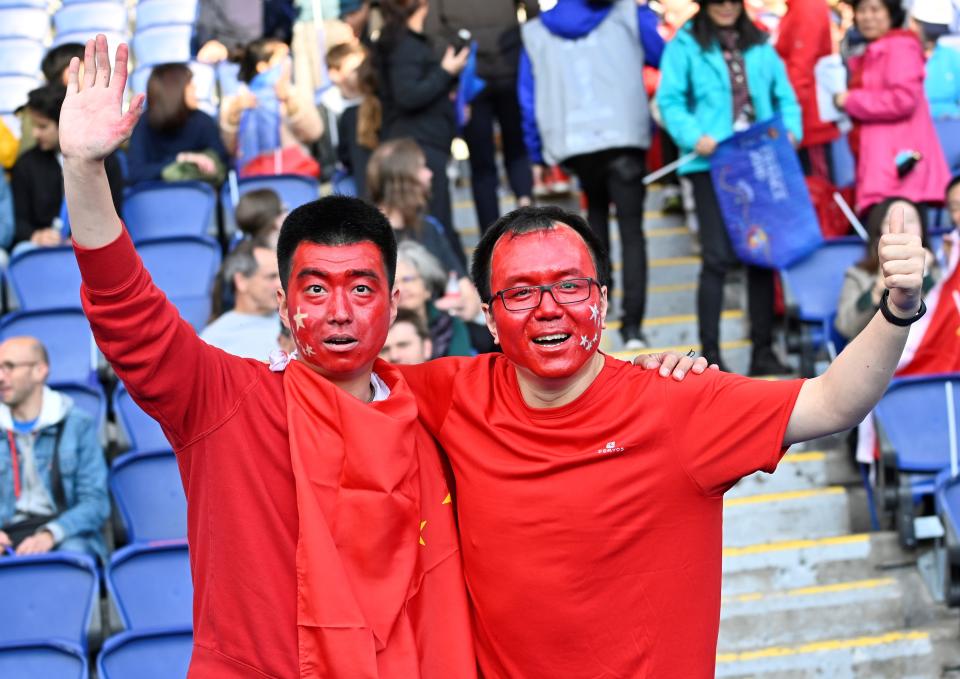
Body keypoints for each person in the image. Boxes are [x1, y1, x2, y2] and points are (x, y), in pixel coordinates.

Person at [62, 36, 475, 676]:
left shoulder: (442, 409)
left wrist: (668, 370)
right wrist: (84, 170)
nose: (339, 311)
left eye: (361, 289)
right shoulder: (228, 401)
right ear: (283, 306)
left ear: (394, 304)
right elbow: (127, 312)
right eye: (316, 289)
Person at [396, 199, 925, 678]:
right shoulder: (452, 394)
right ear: (488, 317)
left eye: (570, 285)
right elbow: (335, 384)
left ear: (602, 300)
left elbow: (834, 401)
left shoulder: (676, 399)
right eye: (520, 292)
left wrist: (898, 306)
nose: (549, 307)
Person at [657, 0, 802, 374]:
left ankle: (763, 352)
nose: (725, 7)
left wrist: (790, 132)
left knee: (761, 257)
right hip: (712, 163)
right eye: (717, 0)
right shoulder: (686, 42)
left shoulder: (758, 40)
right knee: (717, 257)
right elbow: (669, 100)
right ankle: (710, 356)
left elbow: (785, 95)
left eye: (731, 0)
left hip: (758, 159)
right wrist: (693, 136)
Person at [519, 0, 664, 350]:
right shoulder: (629, 13)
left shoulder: (536, 30)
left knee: (593, 230)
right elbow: (664, 57)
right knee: (632, 231)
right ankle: (633, 327)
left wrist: (536, 150)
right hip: (625, 135)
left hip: (575, 143)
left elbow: (527, 95)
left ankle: (597, 317)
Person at [425, 0, 535, 231]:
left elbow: (433, 29)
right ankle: (527, 213)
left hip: (470, 76)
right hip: (510, 66)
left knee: (481, 164)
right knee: (517, 150)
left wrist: (456, 53)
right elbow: (533, 8)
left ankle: (491, 235)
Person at [834, 0, 951, 214]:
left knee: (900, 235)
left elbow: (903, 99)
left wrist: (851, 100)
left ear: (891, 14)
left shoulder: (900, 47)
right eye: (862, 10)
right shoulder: (874, 49)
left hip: (899, 167)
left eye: (875, 9)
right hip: (885, 164)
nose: (868, 17)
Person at [375, 0, 469, 261]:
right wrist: (444, 72)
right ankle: (452, 283)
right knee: (432, 224)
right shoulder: (404, 44)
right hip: (418, 145)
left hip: (425, 142)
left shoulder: (407, 41)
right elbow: (407, 95)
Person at [0, 337, 108, 562]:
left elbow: (96, 503)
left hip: (62, 531)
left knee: (72, 554)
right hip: (8, 534)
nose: (1, 377)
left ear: (40, 371)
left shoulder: (77, 425)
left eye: (9, 367)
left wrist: (51, 533)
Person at [366, 137, 481, 321]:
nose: (429, 174)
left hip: (438, 330)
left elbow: (468, 295)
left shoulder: (430, 228)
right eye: (421, 168)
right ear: (403, 180)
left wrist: (446, 307)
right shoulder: (365, 236)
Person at [11, 84, 123, 253]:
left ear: (63, 123)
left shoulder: (103, 160)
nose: (35, 134)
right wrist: (36, 235)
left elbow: (115, 214)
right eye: (34, 126)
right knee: (23, 250)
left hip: (92, 245)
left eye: (42, 127)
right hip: (43, 247)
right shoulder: (26, 164)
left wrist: (84, 238)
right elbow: (19, 221)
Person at [836, 196, 938, 339]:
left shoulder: (940, 269)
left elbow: (948, 319)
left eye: (911, 220)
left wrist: (925, 274)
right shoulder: (858, 275)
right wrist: (877, 291)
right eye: (890, 221)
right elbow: (846, 327)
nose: (904, 227)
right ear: (879, 233)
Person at [220, 38, 324, 175]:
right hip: (251, 176)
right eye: (282, 59)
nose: (287, 63)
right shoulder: (236, 99)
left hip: (292, 173)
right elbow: (230, 148)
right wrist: (235, 112)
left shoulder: (291, 92)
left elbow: (314, 133)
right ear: (262, 66)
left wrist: (289, 101)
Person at [126, 63, 229, 186]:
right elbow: (136, 173)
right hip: (155, 199)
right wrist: (182, 159)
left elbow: (222, 164)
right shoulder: (143, 124)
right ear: (174, 90)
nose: (195, 89)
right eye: (190, 85)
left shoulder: (203, 121)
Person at [775, 0, 841, 178]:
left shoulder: (807, 6)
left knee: (819, 195)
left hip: (808, 123)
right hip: (801, 120)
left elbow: (801, 68)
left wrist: (788, 114)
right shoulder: (798, 6)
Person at [201, 238, 282, 359]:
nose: (280, 284)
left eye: (281, 276)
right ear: (241, 281)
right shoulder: (213, 340)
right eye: (271, 277)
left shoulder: (295, 321)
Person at [396, 241, 476, 358]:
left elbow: (461, 368)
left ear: (427, 288)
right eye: (393, 283)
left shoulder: (449, 325)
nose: (401, 288)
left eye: (407, 279)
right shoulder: (384, 330)